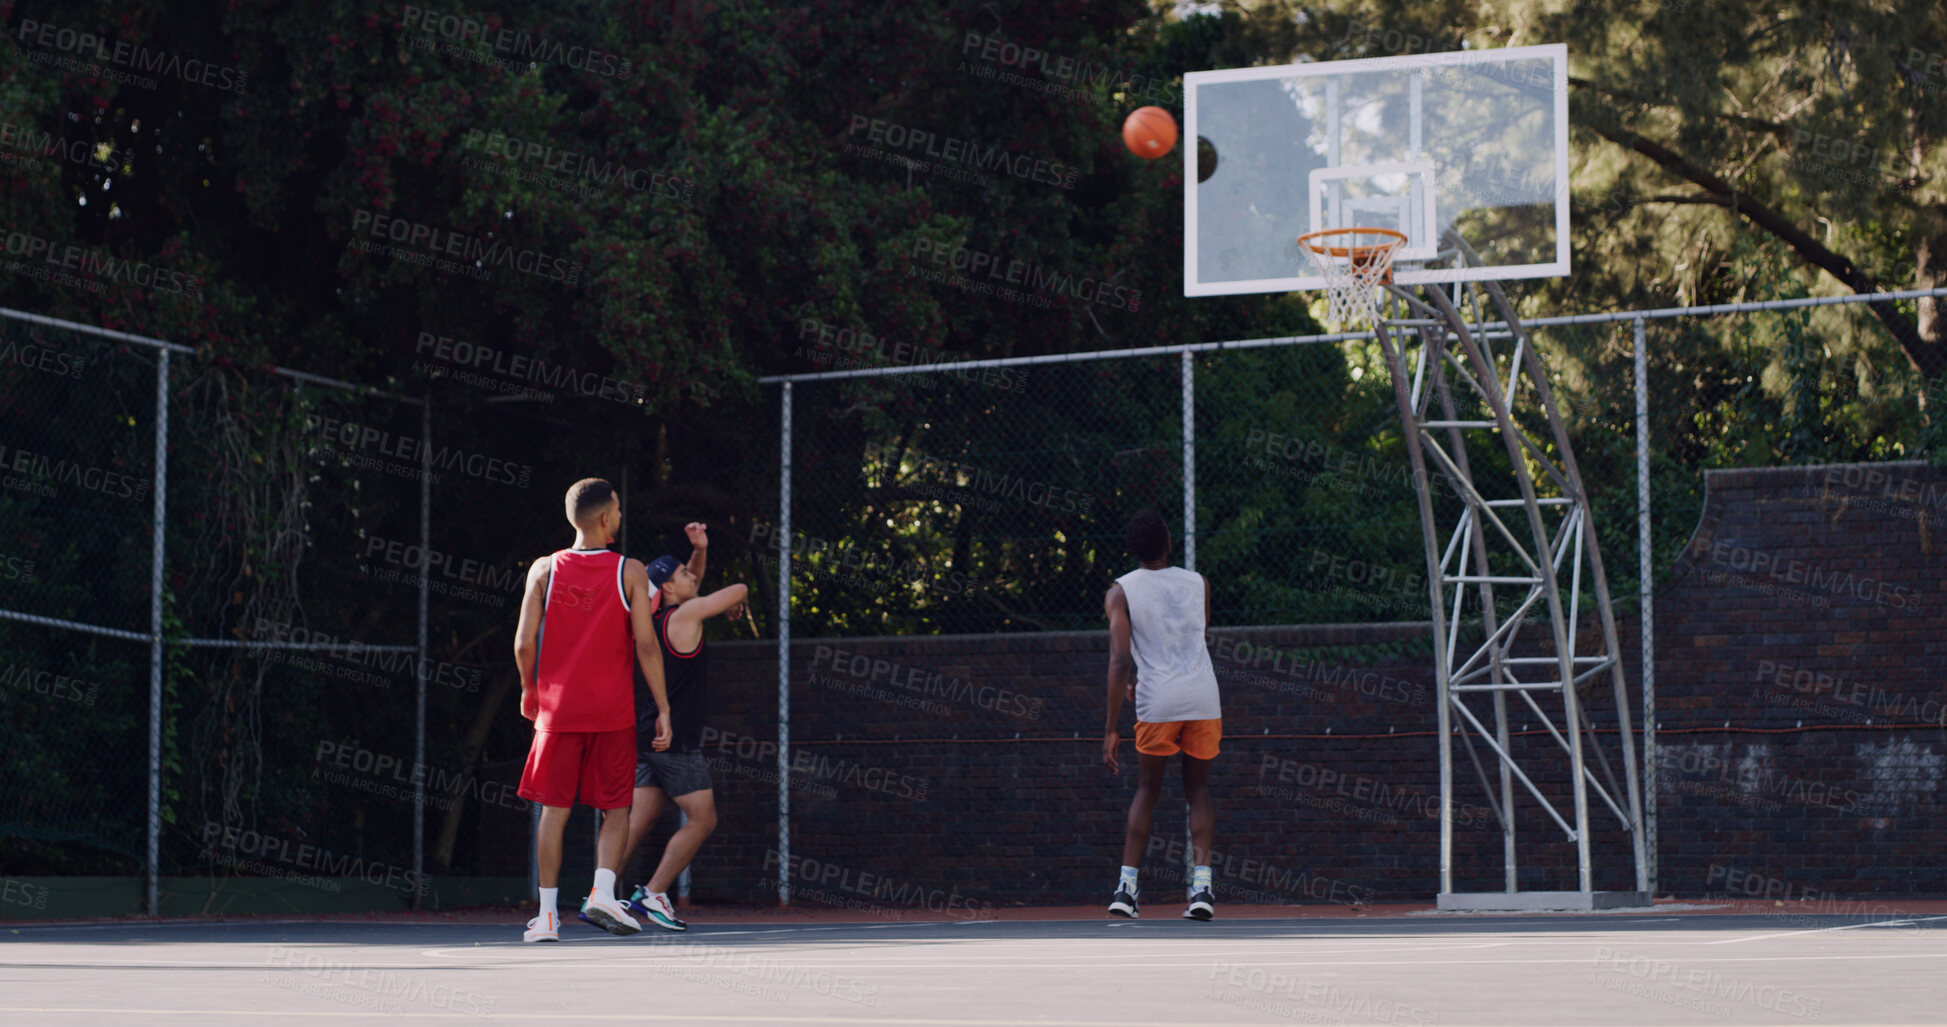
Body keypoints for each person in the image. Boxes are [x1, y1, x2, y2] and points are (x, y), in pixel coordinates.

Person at [513, 478, 671, 942]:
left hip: (557, 711)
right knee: (616, 807)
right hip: (612, 712)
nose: (620, 517)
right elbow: (645, 643)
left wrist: (528, 688)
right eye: (618, 510)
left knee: (554, 811)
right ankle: (602, 892)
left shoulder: (543, 569)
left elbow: (524, 642)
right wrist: (662, 706)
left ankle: (545, 916)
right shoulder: (631, 571)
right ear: (605, 519)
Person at [617, 522, 748, 932]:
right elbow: (740, 589)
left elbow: (694, 583)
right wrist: (727, 601)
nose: (693, 576)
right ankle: (654, 893)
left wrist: (699, 551)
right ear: (670, 590)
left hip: (644, 735)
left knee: (640, 819)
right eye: (685, 575)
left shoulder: (655, 619)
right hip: (675, 741)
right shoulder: (687, 613)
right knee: (703, 819)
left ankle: (600, 893)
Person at [1101, 508, 1222, 921]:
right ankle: (1202, 889)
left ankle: (1127, 890)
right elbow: (1193, 637)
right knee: (1198, 792)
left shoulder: (1121, 591)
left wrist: (1111, 729)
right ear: (1169, 544)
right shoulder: (1198, 583)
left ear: (1131, 549)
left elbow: (1119, 663)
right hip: (1203, 696)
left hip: (1158, 702)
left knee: (1147, 791)